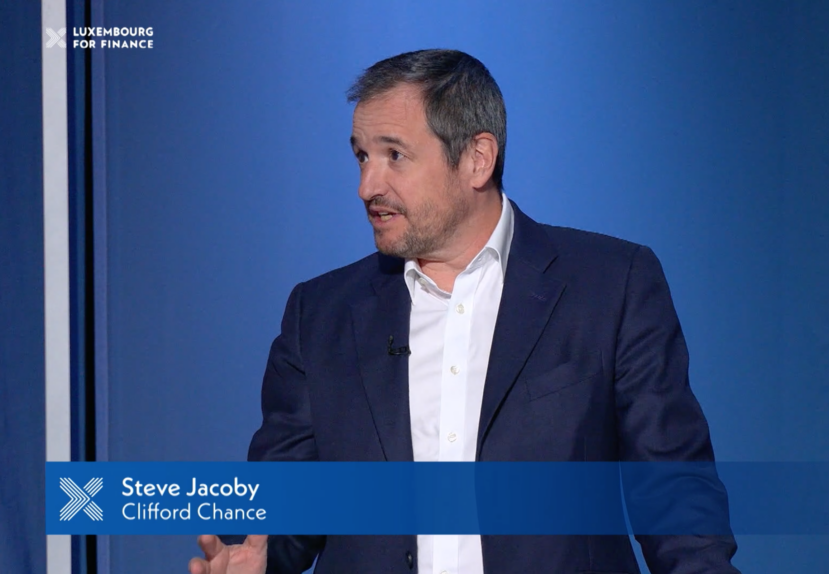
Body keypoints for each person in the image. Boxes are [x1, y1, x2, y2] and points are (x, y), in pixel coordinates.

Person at [188, 49, 739, 574]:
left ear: (477, 159)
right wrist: (254, 557)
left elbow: (674, 495)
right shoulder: (320, 315)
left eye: (394, 155)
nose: (367, 186)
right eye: (361, 156)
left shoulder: (610, 286)